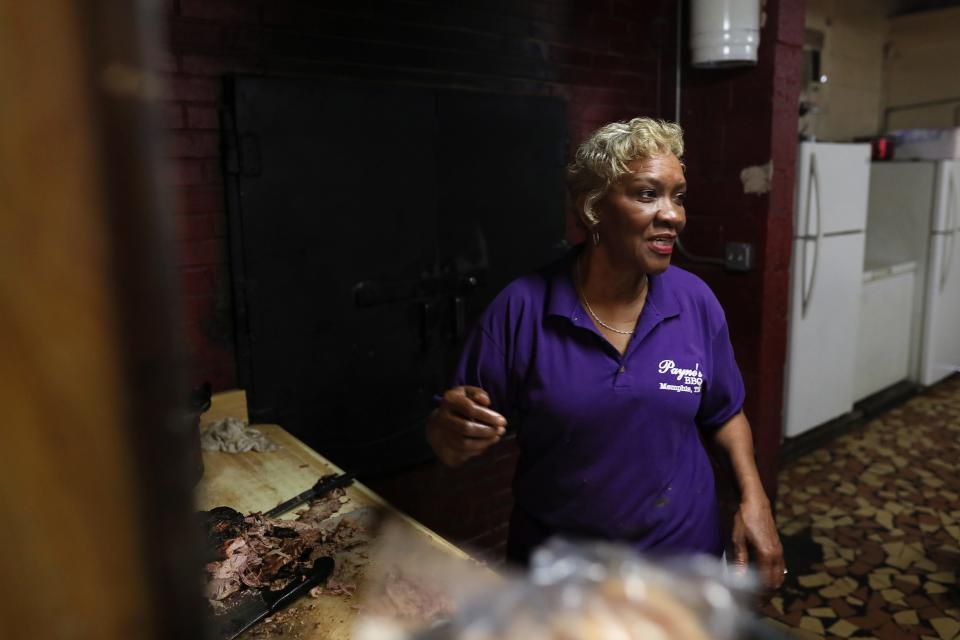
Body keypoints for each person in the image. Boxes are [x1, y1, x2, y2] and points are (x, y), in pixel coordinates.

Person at [426, 117, 785, 589]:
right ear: (593, 207)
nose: (673, 215)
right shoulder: (523, 308)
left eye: (677, 196)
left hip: (681, 568)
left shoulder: (694, 302)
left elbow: (724, 414)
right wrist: (448, 432)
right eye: (646, 194)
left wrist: (753, 500)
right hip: (561, 576)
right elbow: (452, 437)